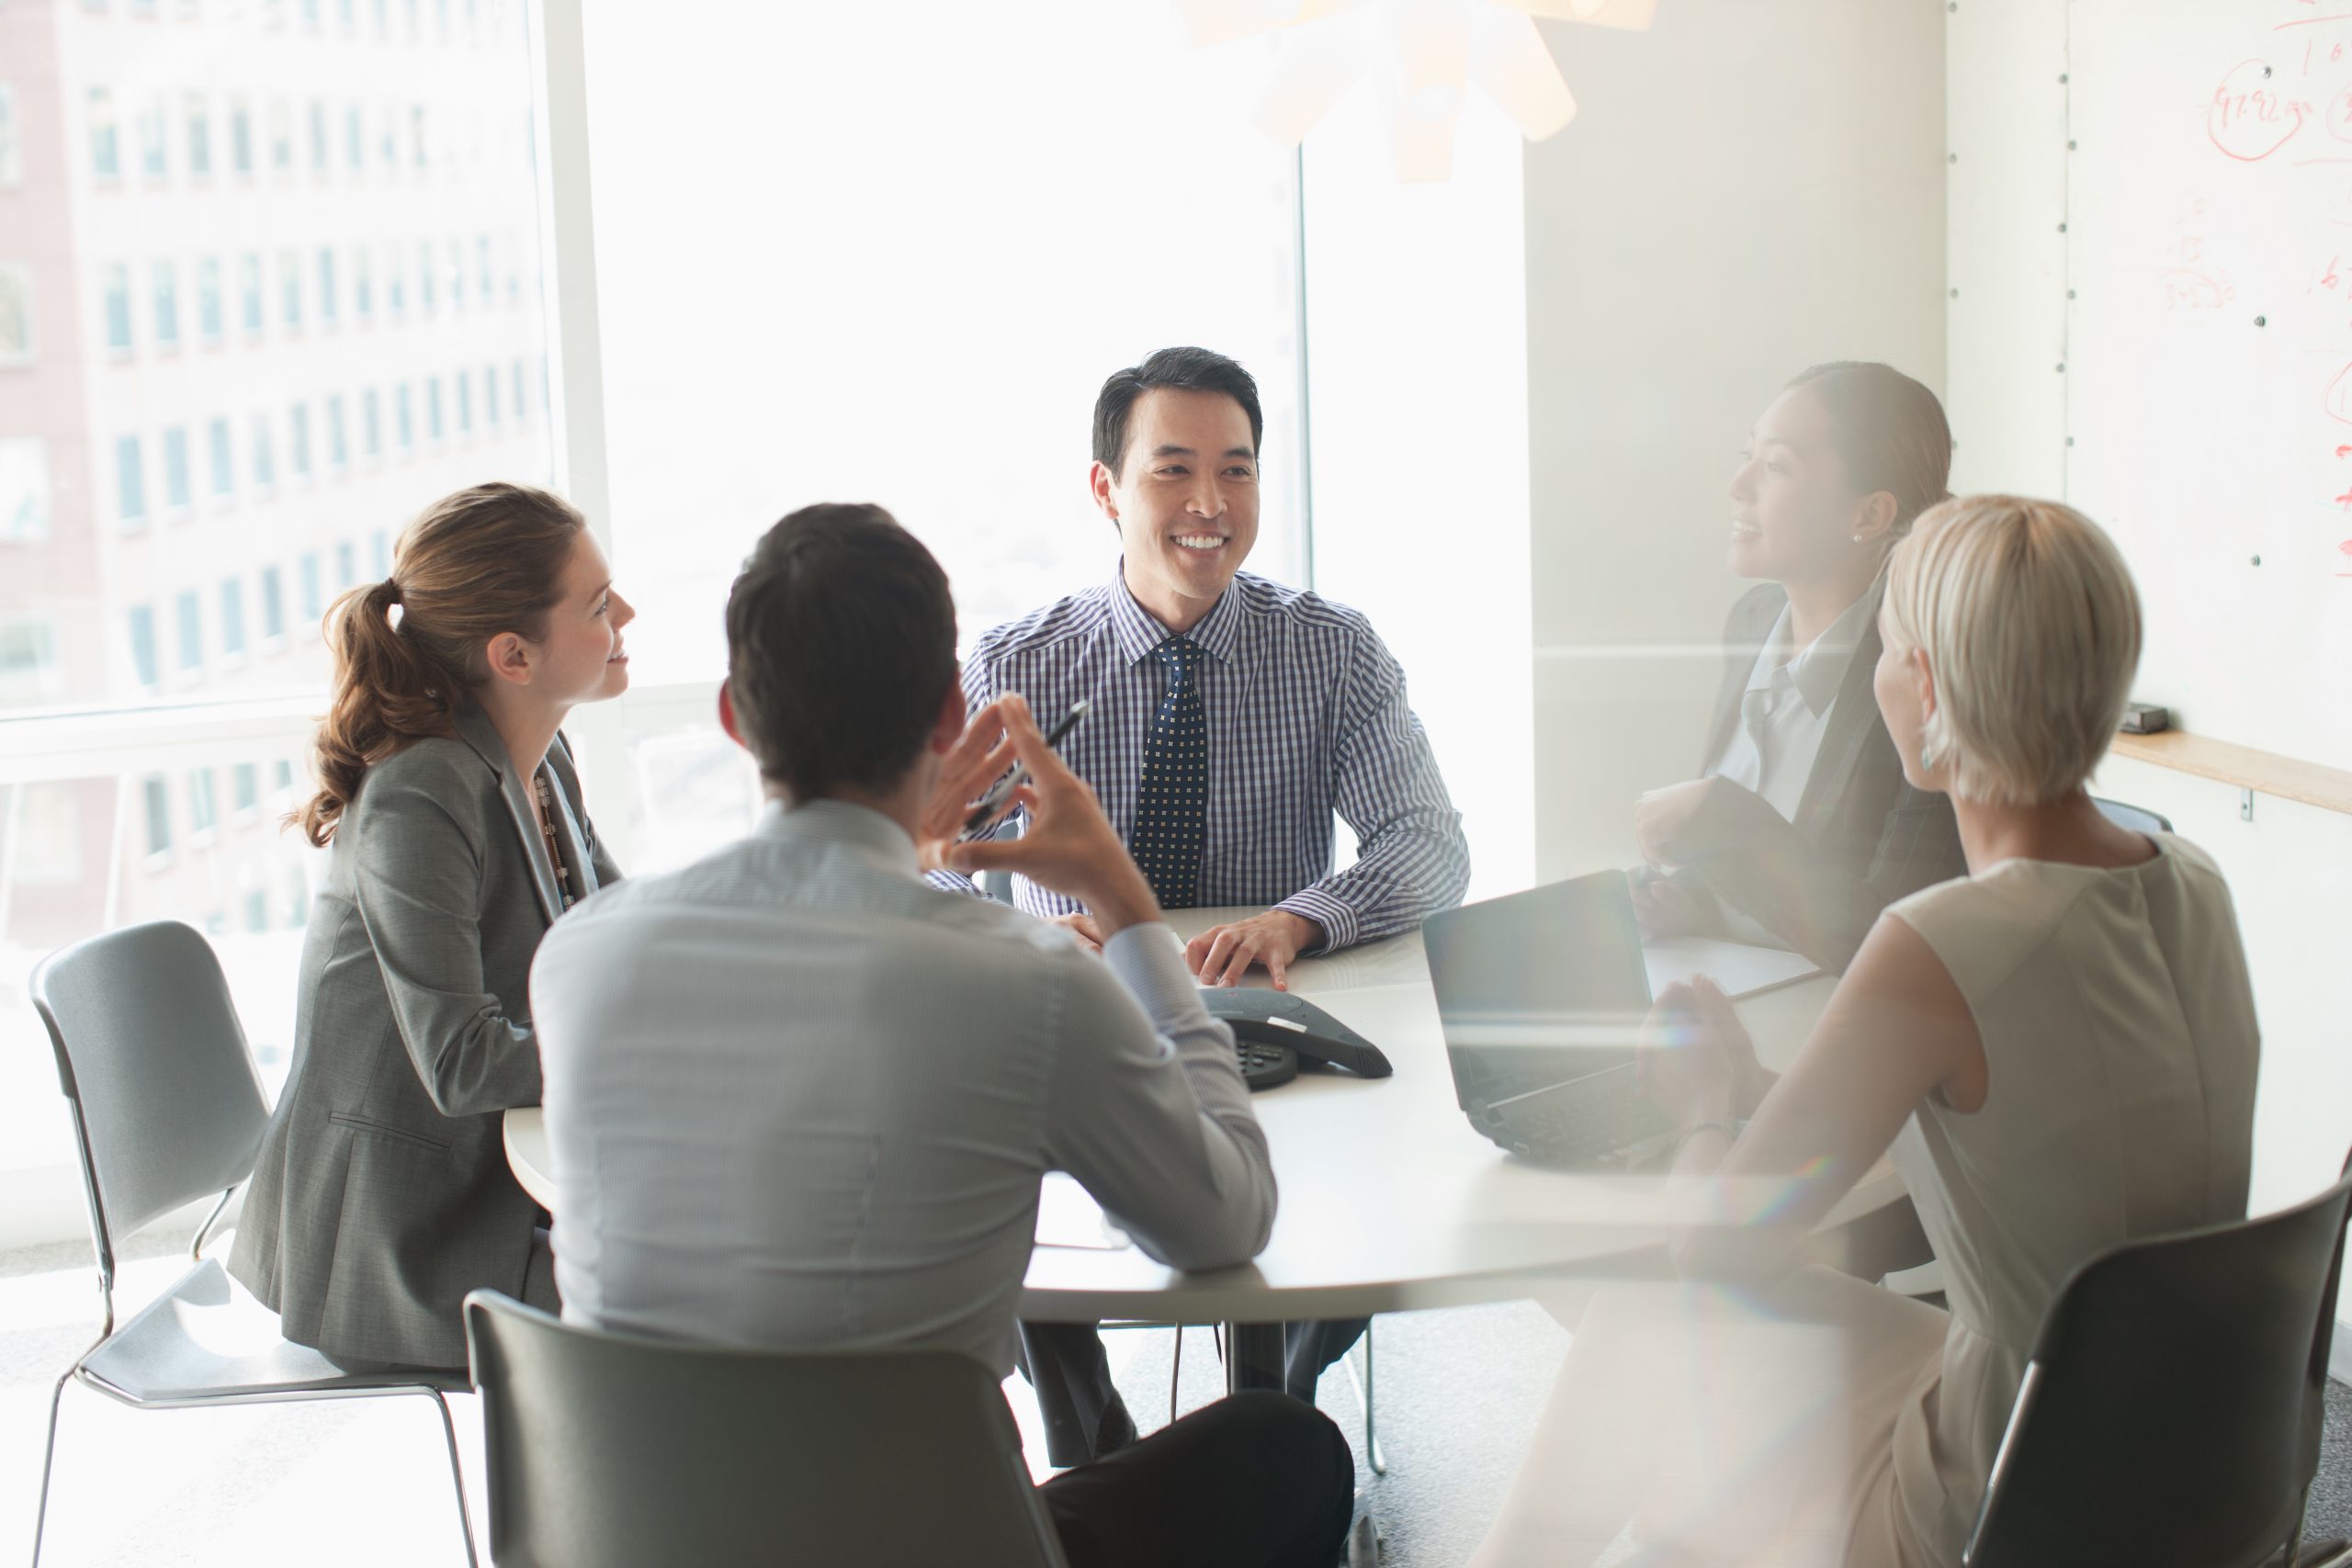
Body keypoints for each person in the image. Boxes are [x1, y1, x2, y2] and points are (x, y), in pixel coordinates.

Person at [529, 503, 1354, 1568]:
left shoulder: (581, 958)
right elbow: (1221, 1221)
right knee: (1283, 1446)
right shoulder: (1027, 980)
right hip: (930, 1541)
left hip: (642, 1538)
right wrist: (1128, 904)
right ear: (950, 714)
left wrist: (907, 846)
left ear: (737, 717)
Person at [1468, 496, 2258, 1566]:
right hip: (2191, 1453)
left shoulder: (1941, 942)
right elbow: (2041, 1116)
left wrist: (1705, 1111)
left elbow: (1716, 1252)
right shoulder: (2192, 882)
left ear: (1925, 687)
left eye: (1885, 654)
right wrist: (1759, 1088)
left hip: (2013, 1495)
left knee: (1656, 1313)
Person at [933, 344, 1472, 1450]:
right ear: (1106, 490)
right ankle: (1104, 1452)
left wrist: (1304, 914)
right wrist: (1032, 928)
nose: (1208, 505)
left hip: (1268, 1019)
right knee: (991, 1192)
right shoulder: (1013, 663)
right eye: (1172, 470)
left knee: (1373, 1187)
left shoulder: (1330, 651)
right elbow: (937, 857)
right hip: (1076, 1024)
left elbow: (1430, 845)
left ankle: (1269, 1420)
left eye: (1236, 471)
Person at [231, 482, 628, 1370]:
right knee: (698, 1303)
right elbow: (461, 1062)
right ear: (513, 655)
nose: (627, 615)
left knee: (730, 1267)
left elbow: (624, 930)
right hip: (407, 1232)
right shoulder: (423, 788)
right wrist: (648, 1047)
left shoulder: (542, 757)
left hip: (492, 1183)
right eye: (599, 604)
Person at [1632, 362, 1968, 972]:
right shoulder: (1754, 619)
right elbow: (1767, 880)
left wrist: (1725, 818)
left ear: (1867, 516)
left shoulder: (1928, 678)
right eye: (1747, 455)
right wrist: (1689, 899)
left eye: (1777, 465)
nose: (1738, 483)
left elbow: (1898, 948)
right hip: (1735, 1000)